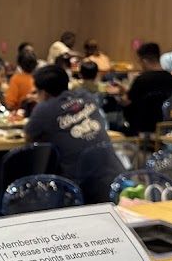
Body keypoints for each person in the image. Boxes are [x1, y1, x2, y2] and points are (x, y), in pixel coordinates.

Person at [26, 64, 120, 193]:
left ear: (44, 93)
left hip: (81, 188)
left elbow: (29, 136)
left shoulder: (44, 109)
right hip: (116, 177)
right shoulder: (86, 96)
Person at [123, 42, 172, 134]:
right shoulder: (170, 78)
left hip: (139, 125)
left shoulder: (142, 79)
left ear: (144, 61)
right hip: (163, 125)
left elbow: (126, 101)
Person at [5, 46, 38, 111]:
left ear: (19, 64)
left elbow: (10, 104)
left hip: (20, 115)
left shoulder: (16, 79)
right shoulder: (39, 78)